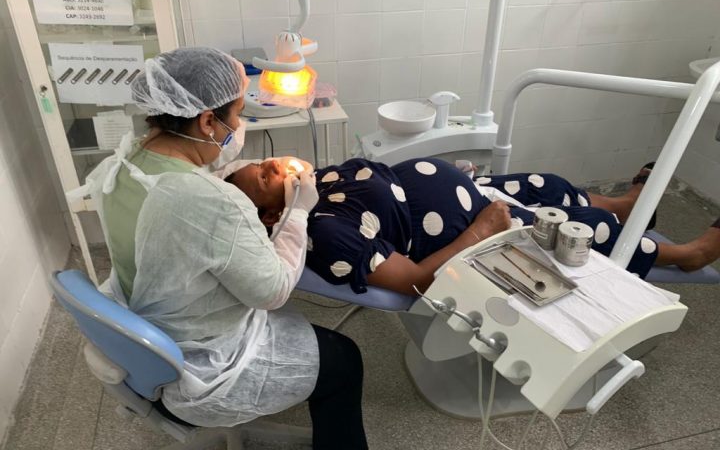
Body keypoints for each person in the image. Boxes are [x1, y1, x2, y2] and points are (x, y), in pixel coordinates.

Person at [87, 47, 367, 449]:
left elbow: (188, 195)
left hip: (147, 339)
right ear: (206, 121)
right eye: (236, 114)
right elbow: (272, 292)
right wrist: (297, 213)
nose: (238, 126)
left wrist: (243, 176)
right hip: (202, 368)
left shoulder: (126, 163)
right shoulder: (213, 202)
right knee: (345, 360)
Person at [226, 157, 720, 296]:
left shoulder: (314, 181)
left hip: (474, 193)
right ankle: (686, 255)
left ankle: (628, 204)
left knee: (549, 185)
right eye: (266, 178)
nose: (273, 165)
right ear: (271, 216)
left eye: (264, 163)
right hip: (471, 229)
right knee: (581, 230)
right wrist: (482, 230)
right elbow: (414, 281)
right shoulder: (323, 233)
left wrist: (453, 179)